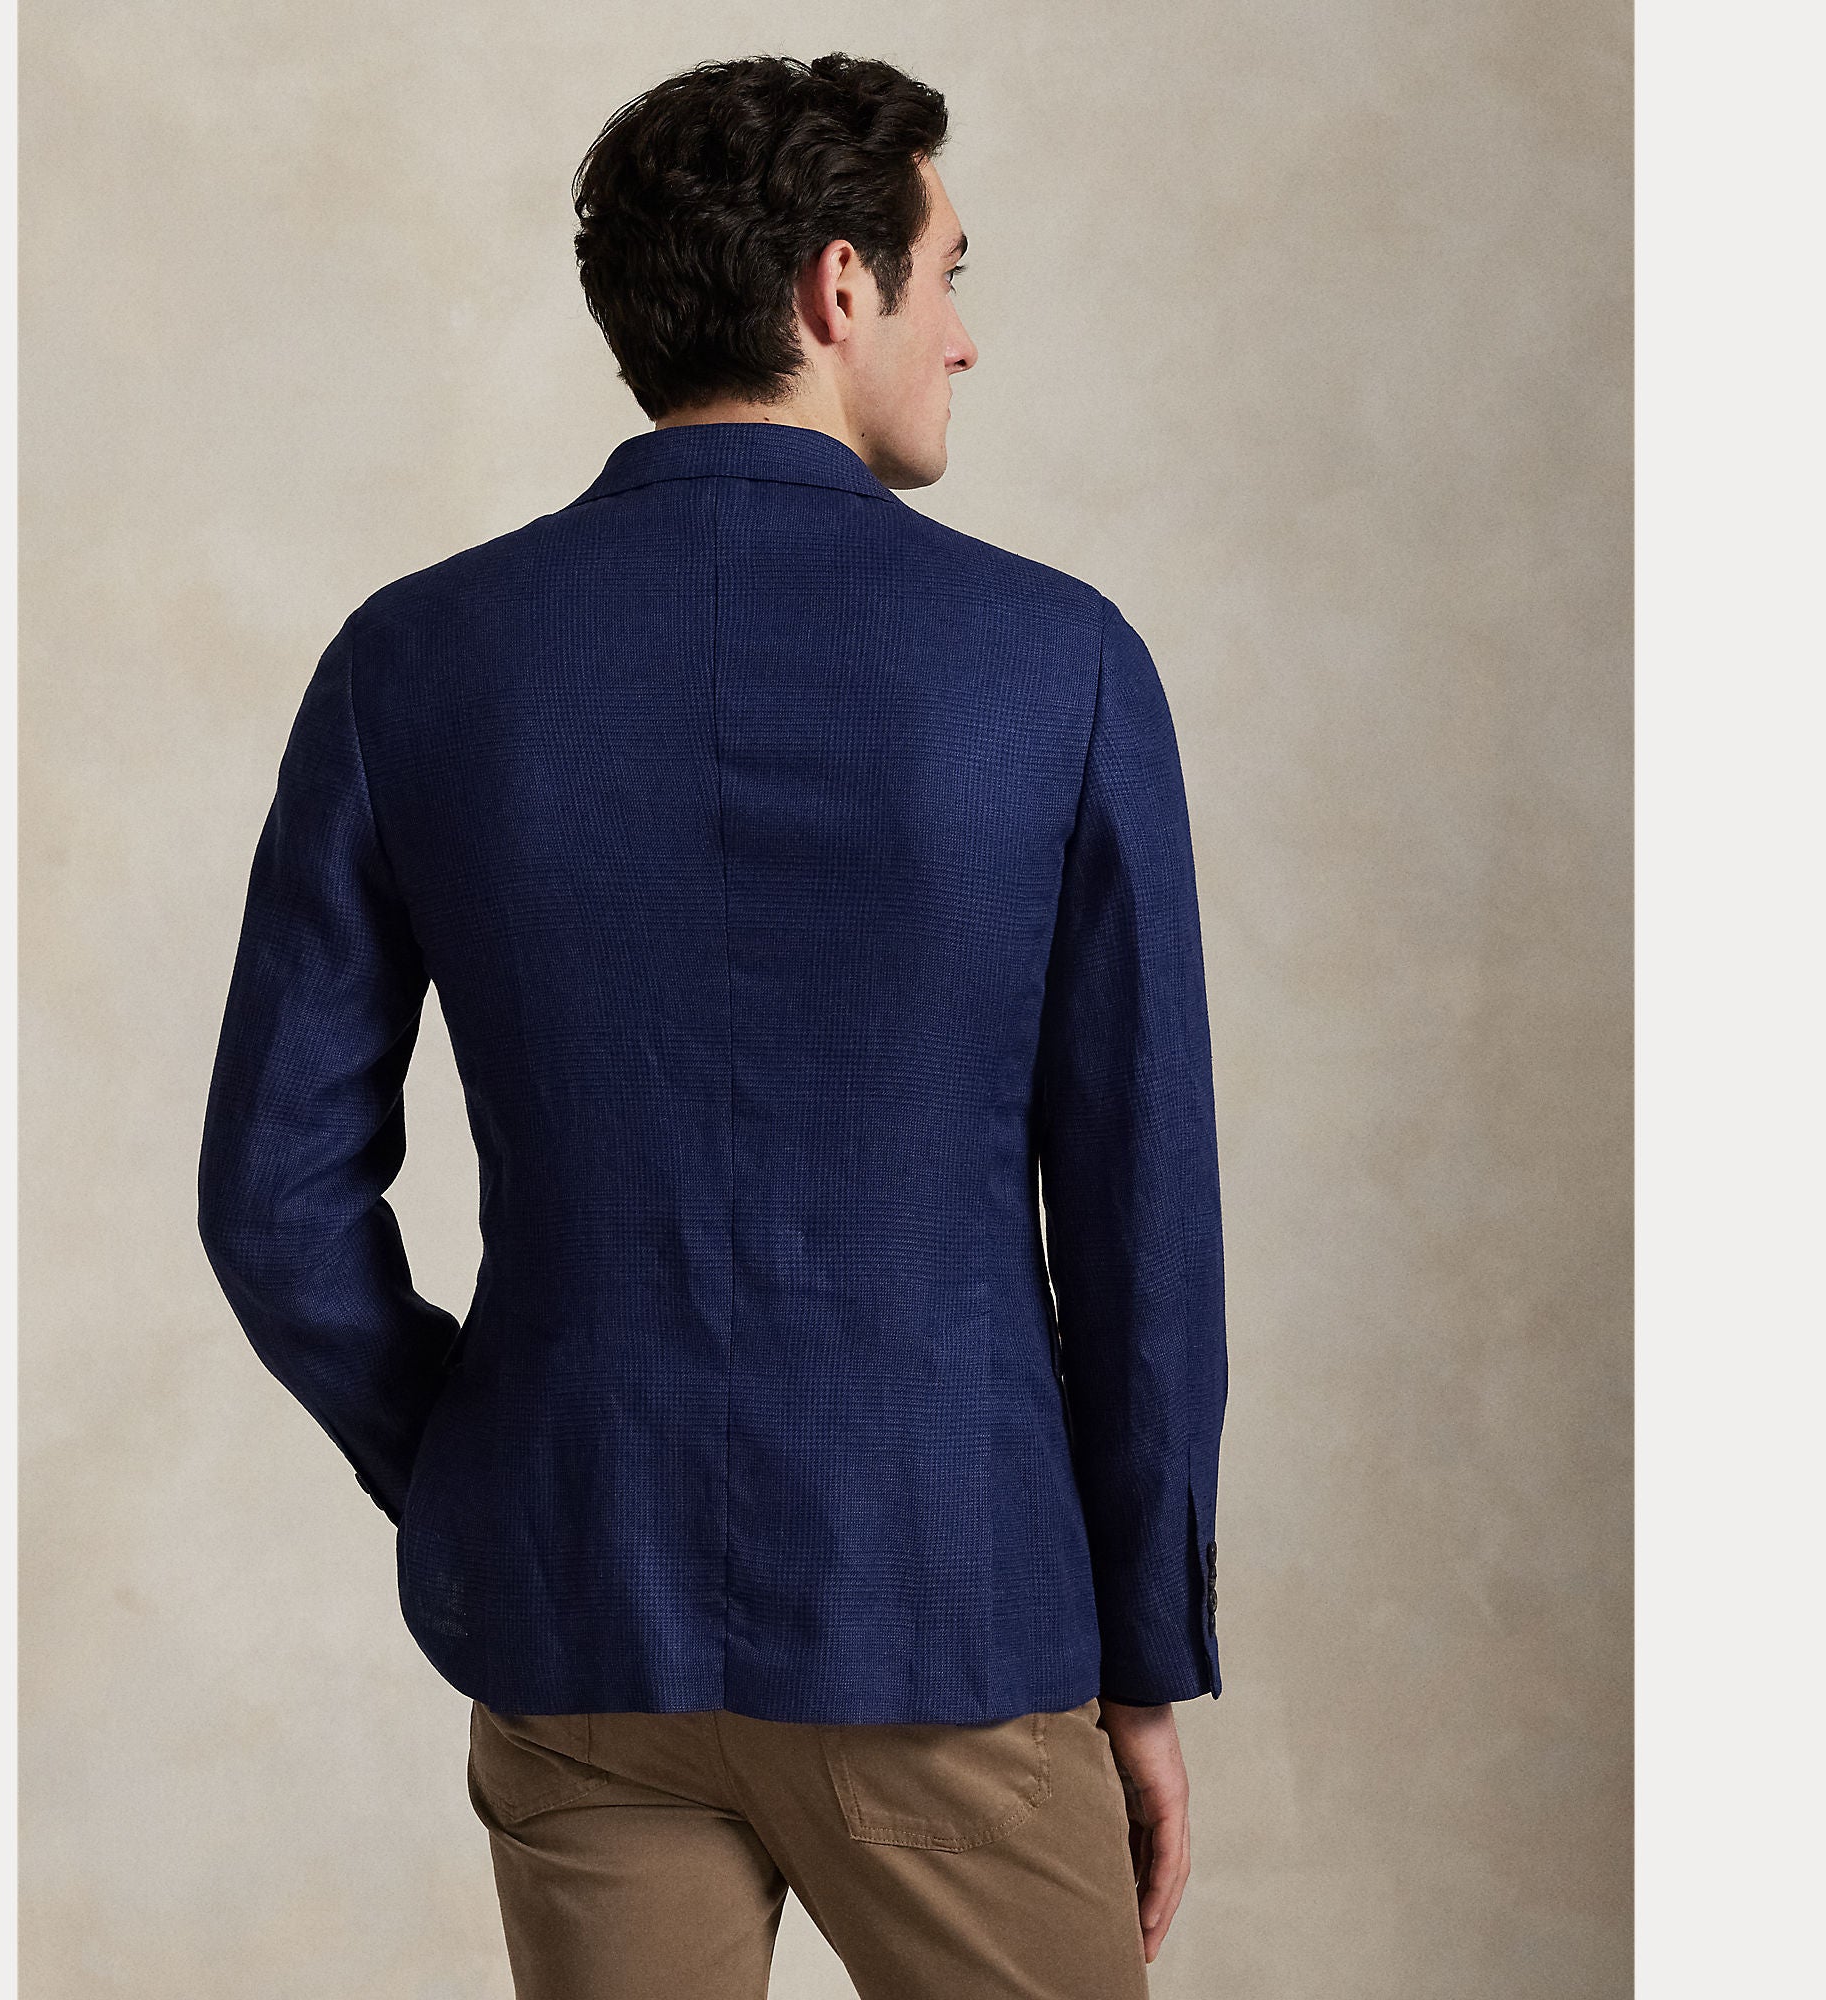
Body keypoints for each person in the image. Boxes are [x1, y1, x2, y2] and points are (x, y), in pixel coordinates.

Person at [197, 49, 1227, 1999]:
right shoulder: (1059, 663)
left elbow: (271, 1201)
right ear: (839, 288)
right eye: (946, 274)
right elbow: (1138, 1224)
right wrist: (1147, 1659)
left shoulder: (413, 660)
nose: (963, 334)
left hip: (583, 1618)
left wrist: (489, 1462)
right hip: (951, 1620)